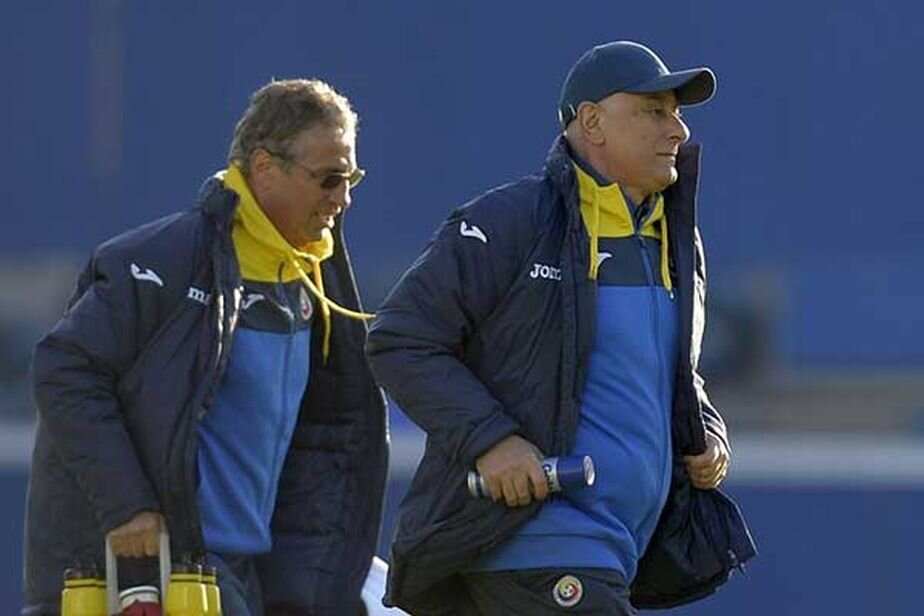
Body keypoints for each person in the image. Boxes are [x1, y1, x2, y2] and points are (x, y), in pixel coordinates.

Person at [366, 41, 756, 615]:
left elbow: (673, 373)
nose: (677, 130)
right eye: (654, 111)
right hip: (536, 541)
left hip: (616, 552)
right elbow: (401, 339)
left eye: (676, 113)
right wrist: (491, 441)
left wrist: (707, 434)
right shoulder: (511, 220)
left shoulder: (674, 239)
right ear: (591, 122)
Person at [24, 79, 388, 615]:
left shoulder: (316, 274)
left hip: (253, 576)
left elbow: (330, 439)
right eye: (329, 178)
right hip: (166, 575)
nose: (343, 198)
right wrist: (126, 505)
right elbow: (63, 369)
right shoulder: (162, 260)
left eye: (351, 178)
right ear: (264, 167)